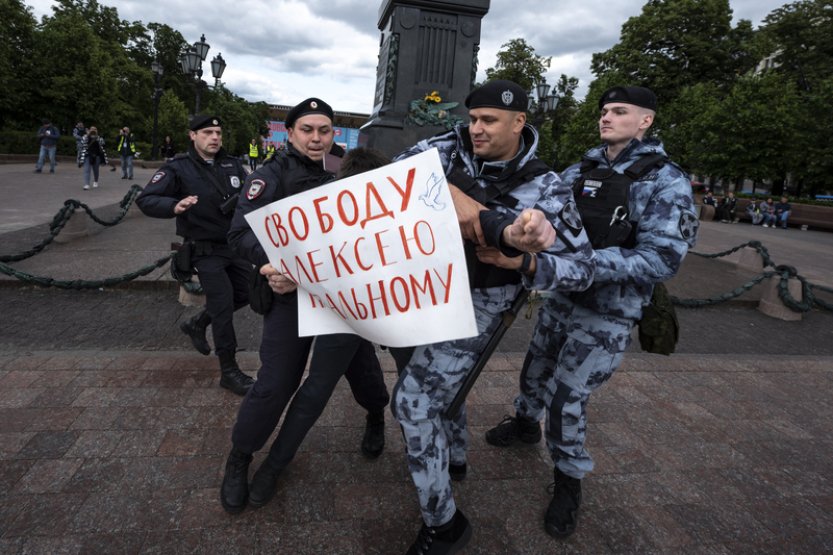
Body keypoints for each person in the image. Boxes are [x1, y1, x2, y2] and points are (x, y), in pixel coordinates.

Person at [390, 79, 596, 554]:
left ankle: (444, 525)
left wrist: (525, 261)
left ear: (520, 122)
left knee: (414, 403)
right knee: (440, 389)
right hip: (423, 288)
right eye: (473, 119)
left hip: (481, 304)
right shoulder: (449, 149)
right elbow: (395, 177)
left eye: (489, 121)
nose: (476, 129)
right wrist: (478, 215)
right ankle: (454, 458)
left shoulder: (549, 189)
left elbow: (582, 270)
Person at [483, 85, 698, 539]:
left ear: (646, 121)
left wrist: (582, 265)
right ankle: (524, 423)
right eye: (604, 111)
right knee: (536, 368)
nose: (606, 118)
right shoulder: (580, 169)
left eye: (620, 112)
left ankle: (568, 479)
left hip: (610, 309)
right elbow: (539, 212)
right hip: (562, 297)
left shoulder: (666, 180)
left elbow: (663, 258)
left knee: (568, 397)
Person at [220, 100, 392, 515]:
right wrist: (270, 264)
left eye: (325, 131)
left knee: (364, 371)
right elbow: (240, 233)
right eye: (308, 130)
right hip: (290, 297)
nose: (317, 138)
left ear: (334, 134)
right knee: (276, 383)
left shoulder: (344, 171)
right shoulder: (268, 177)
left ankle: (375, 416)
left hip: (343, 298)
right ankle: (240, 457)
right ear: (290, 132)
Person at [135, 115, 254, 397]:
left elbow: (252, 194)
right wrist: (175, 205)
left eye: (218, 132)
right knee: (223, 305)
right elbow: (146, 199)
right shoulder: (178, 168)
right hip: (204, 248)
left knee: (249, 292)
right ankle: (229, 370)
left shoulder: (233, 164)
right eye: (208, 132)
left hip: (233, 246)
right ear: (193, 136)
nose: (214, 137)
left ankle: (197, 322)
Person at [78, 126, 108, 190]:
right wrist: (88, 135)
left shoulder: (99, 138)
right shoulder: (85, 137)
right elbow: (82, 143)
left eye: (94, 129)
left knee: (96, 170)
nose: (93, 131)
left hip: (96, 156)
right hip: (87, 155)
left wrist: (97, 137)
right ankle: (86, 184)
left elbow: (103, 143)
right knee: (87, 169)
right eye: (92, 129)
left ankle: (95, 181)